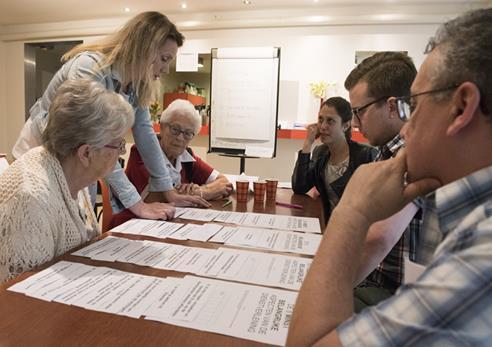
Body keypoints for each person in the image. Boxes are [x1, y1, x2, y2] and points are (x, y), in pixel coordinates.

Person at [287, 7, 492, 346]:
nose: (407, 124)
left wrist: (352, 211)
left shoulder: (482, 256)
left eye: (416, 104)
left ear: (462, 107)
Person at [12, 11, 209, 222]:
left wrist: (168, 191)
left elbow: (145, 132)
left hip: (78, 159)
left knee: (79, 224)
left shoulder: (137, 84)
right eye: (164, 58)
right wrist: (137, 205)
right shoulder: (89, 68)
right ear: (144, 50)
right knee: (40, 222)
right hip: (42, 153)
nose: (166, 68)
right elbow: (96, 142)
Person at [0, 79, 136, 283]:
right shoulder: (32, 199)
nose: (121, 153)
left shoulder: (69, 170)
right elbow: (24, 298)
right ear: (86, 153)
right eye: (117, 145)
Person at [344, 51, 421, 310]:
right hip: (374, 283)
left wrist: (323, 291)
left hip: (393, 296)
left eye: (359, 112)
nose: (354, 123)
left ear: (391, 106)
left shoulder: (411, 155)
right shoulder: (384, 151)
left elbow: (377, 239)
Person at [111, 99, 232, 227]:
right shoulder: (142, 152)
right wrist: (194, 194)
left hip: (169, 224)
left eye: (187, 134)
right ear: (162, 127)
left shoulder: (187, 157)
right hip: (133, 225)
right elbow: (151, 199)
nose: (180, 138)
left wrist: (201, 191)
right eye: (175, 129)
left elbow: (224, 183)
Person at [292, 96, 377, 220]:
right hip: (327, 225)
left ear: (346, 125)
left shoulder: (366, 155)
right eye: (320, 120)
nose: (323, 126)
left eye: (330, 121)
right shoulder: (320, 153)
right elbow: (299, 187)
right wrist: (307, 144)